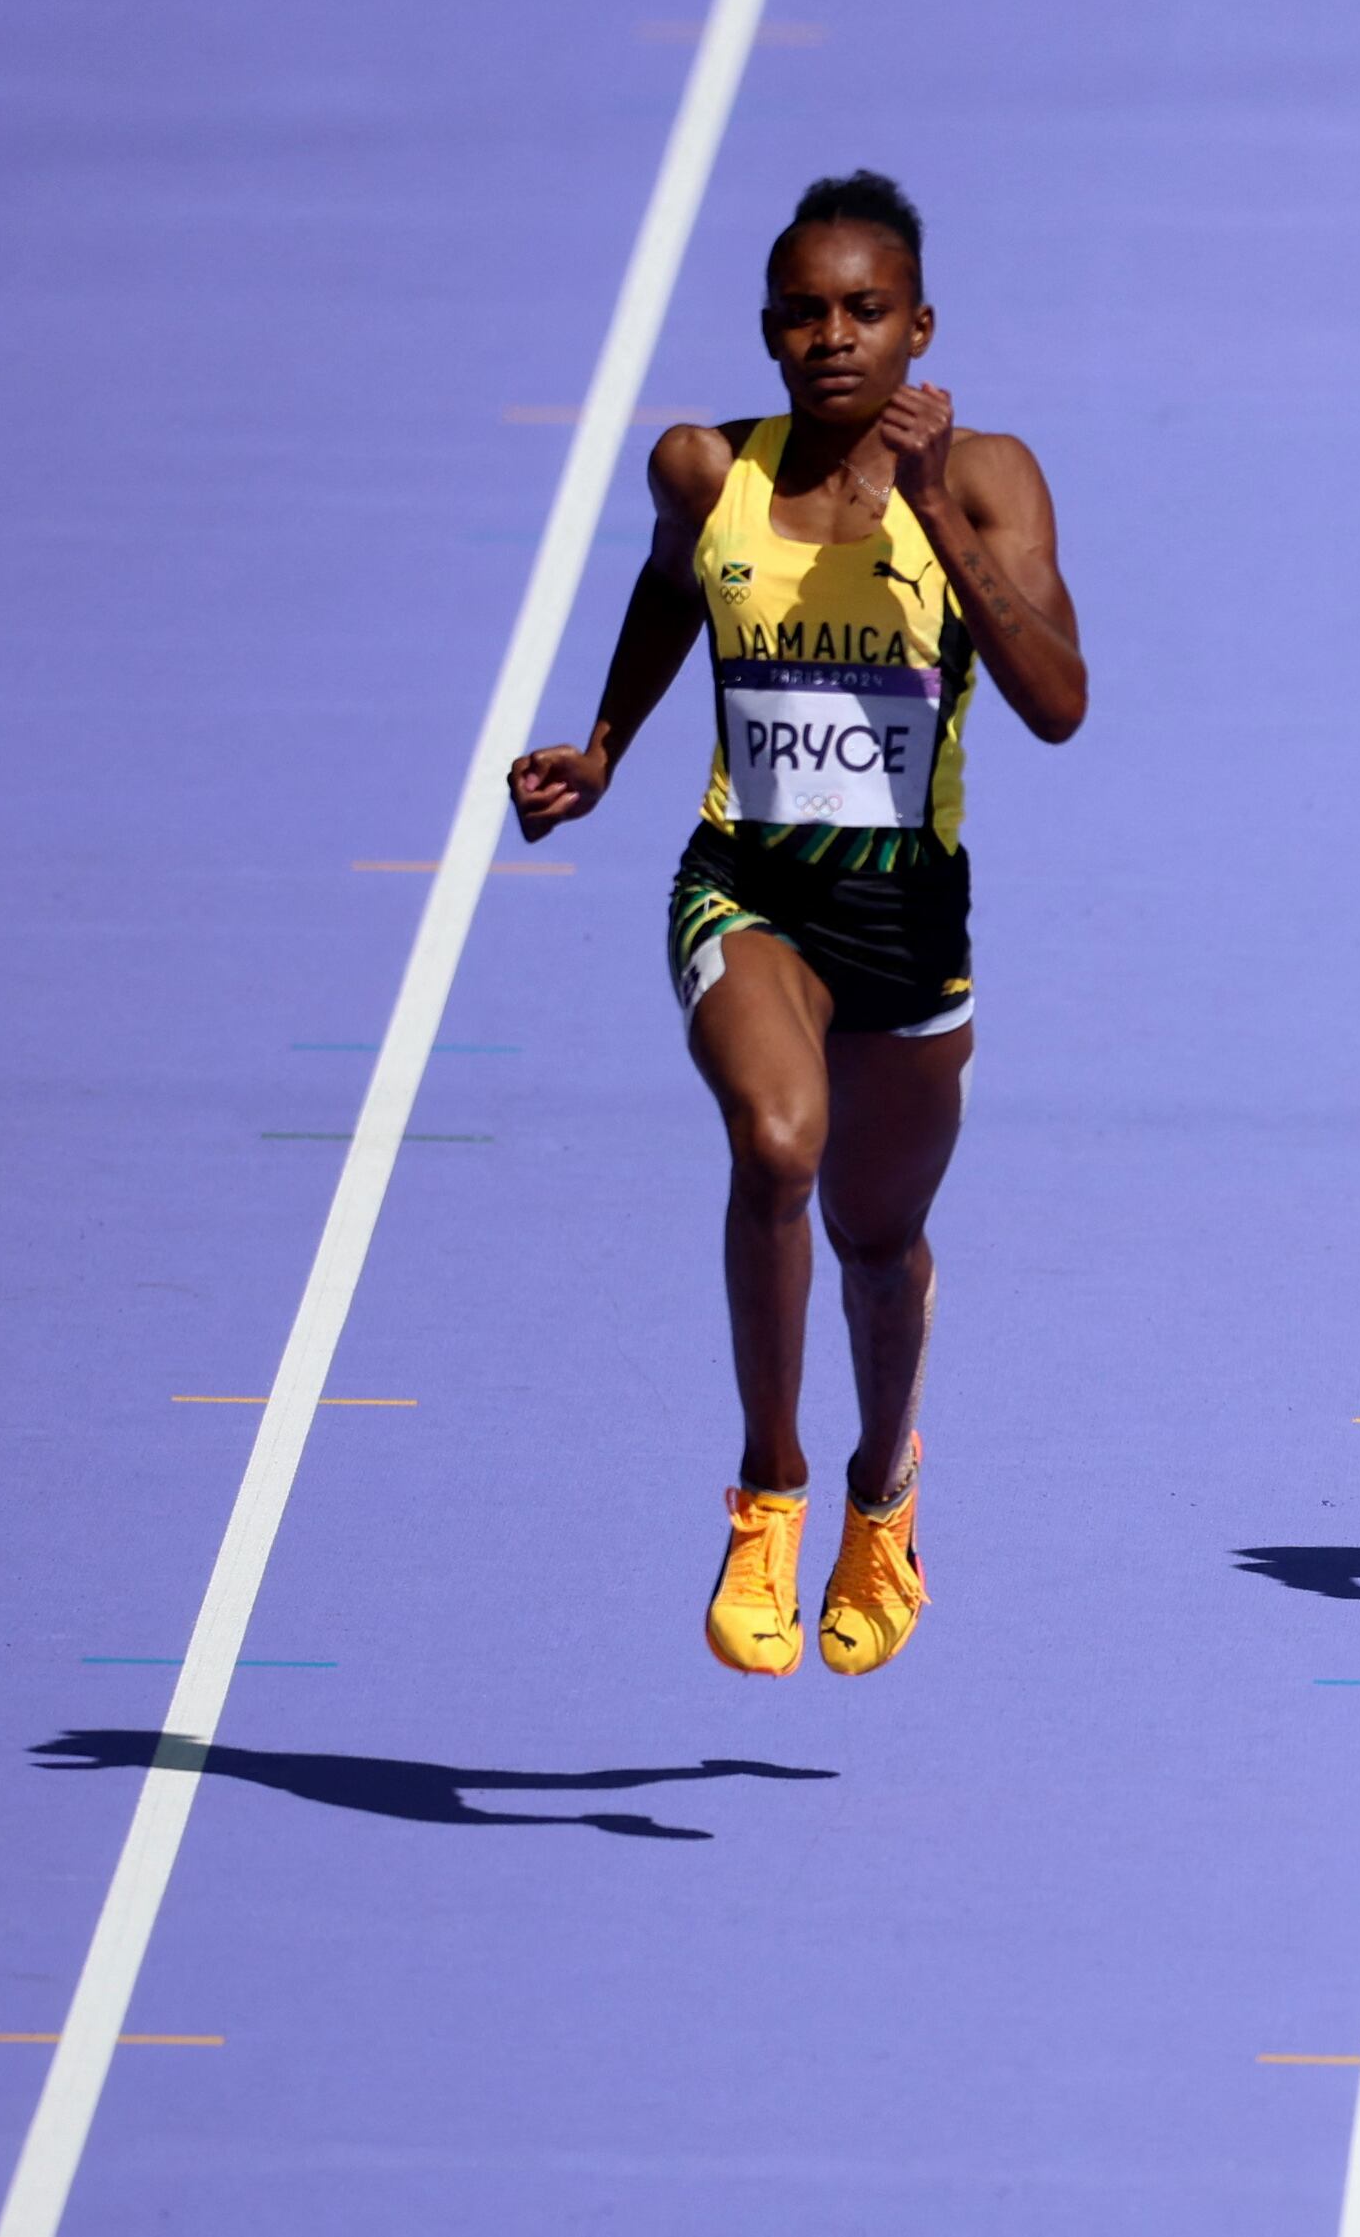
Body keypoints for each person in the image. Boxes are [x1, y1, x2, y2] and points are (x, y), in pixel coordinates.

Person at [507, 172, 1088, 1673]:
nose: (832, 338)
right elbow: (668, 592)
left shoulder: (995, 477)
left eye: (865, 311)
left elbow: (1059, 704)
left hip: (906, 919)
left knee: (879, 1243)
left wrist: (937, 509)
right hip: (749, 881)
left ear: (920, 328)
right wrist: (608, 742)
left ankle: (879, 1492)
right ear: (770, 331)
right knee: (777, 1145)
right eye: (803, 313)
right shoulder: (708, 469)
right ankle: (768, 1483)